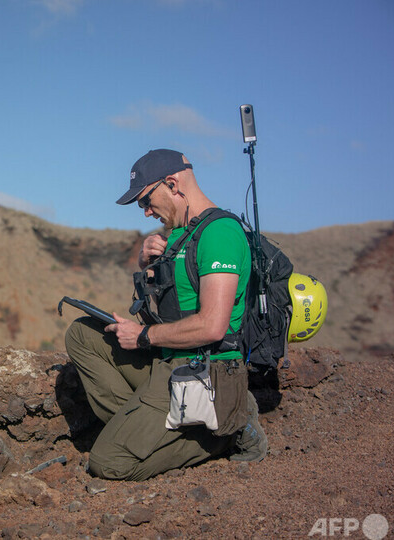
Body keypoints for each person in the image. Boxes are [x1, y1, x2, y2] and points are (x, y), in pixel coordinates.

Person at [65, 149, 267, 481]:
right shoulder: (177, 236)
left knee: (109, 461)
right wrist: (147, 267)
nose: (146, 213)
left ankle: (224, 434)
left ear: (172, 183)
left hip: (205, 369)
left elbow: (212, 326)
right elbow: (167, 310)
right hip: (168, 361)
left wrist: (143, 337)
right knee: (83, 334)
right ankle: (144, 426)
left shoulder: (220, 235)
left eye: (146, 201)